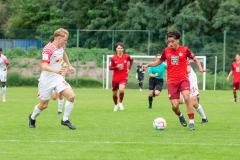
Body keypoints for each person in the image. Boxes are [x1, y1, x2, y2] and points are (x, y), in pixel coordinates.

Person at [144, 31, 204, 130]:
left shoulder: (185, 50)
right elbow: (159, 61)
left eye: (172, 41)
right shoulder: (166, 51)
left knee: (187, 96)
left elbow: (195, 59)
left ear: (177, 40)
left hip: (183, 79)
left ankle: (191, 122)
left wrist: (200, 68)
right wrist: (148, 65)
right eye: (169, 41)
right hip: (172, 82)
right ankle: (180, 115)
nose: (170, 43)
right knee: (175, 106)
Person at [28, 28, 76, 129]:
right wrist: (56, 70)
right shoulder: (48, 49)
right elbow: (43, 66)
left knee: (71, 97)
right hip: (46, 80)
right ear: (58, 38)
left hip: (58, 78)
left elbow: (63, 54)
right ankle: (32, 117)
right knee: (44, 105)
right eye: (65, 40)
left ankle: (65, 120)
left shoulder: (61, 46)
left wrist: (69, 65)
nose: (65, 42)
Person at [109, 42, 133, 111]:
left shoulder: (127, 56)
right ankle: (116, 105)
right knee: (114, 94)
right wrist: (117, 67)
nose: (120, 49)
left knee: (121, 90)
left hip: (123, 77)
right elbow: (110, 67)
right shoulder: (113, 58)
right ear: (116, 49)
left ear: (123, 49)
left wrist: (129, 68)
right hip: (115, 79)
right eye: (118, 48)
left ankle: (120, 102)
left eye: (121, 48)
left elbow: (131, 60)